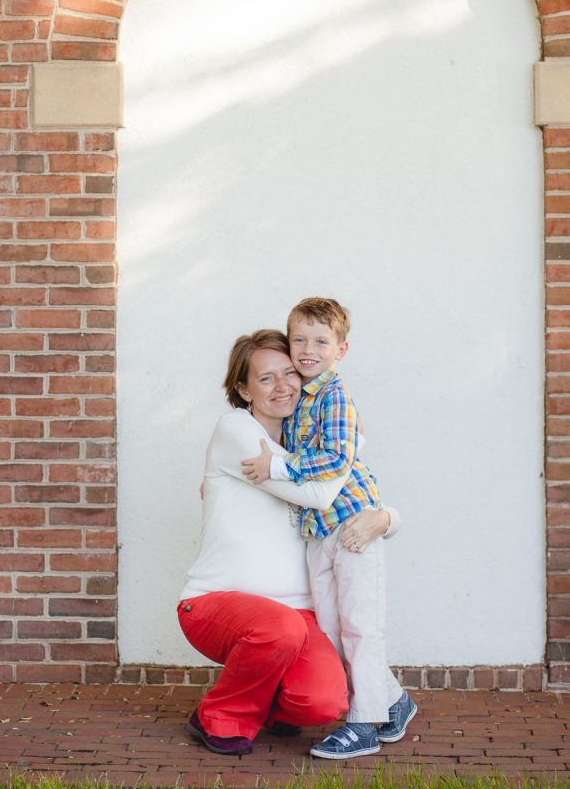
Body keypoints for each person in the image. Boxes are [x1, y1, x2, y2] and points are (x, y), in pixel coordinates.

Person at [178, 328, 399, 757]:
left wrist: (387, 517)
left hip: (297, 611)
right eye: (265, 378)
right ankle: (221, 714)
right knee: (275, 628)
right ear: (243, 389)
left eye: (289, 373)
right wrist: (349, 455)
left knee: (324, 703)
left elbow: (358, 494)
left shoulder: (308, 445)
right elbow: (322, 494)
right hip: (215, 602)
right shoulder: (237, 431)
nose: (282, 386)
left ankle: (266, 702)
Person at [242, 298, 416, 760]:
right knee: (333, 630)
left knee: (361, 627)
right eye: (299, 339)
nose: (307, 349)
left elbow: (337, 459)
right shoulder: (300, 397)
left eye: (321, 341)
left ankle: (365, 725)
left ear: (342, 349)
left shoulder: (335, 395)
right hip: (319, 531)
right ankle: (396, 700)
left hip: (353, 524)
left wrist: (279, 466)